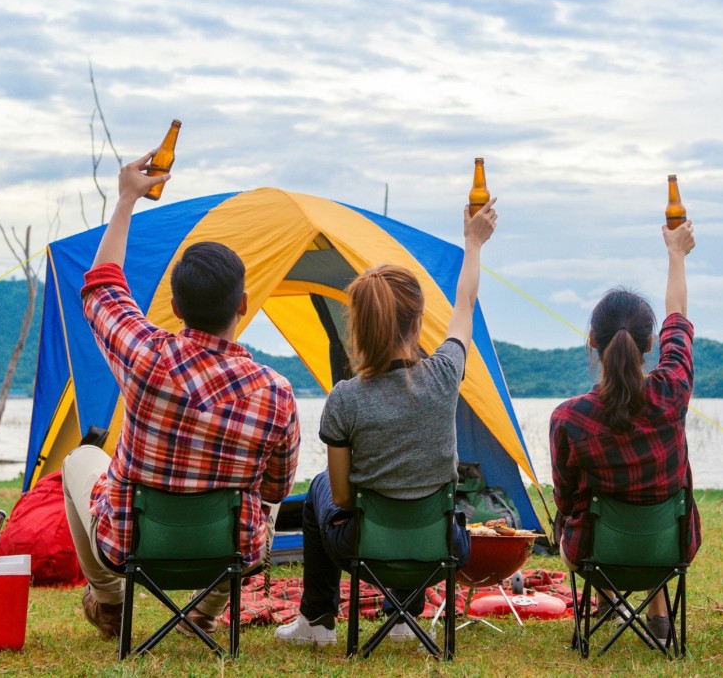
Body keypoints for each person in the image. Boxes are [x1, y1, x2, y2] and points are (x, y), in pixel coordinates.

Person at [63, 151, 301, 640]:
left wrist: (128, 197)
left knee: (78, 460)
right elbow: (275, 491)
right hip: (230, 552)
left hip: (132, 545)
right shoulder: (276, 392)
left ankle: (110, 599)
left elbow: (101, 286)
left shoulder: (146, 357)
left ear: (174, 306)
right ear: (243, 305)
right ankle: (206, 612)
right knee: (268, 496)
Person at [275, 198, 498, 646]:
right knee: (411, 496)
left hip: (363, 547)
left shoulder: (344, 399)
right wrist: (473, 243)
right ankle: (404, 616)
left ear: (358, 328)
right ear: (418, 323)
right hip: (441, 548)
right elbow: (465, 304)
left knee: (321, 486)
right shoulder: (445, 375)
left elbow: (341, 495)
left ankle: (317, 621)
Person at [549, 219, 700, 641]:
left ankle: (605, 603)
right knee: (647, 508)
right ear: (650, 344)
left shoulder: (568, 417)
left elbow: (565, 498)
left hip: (596, 554)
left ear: (593, 343)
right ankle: (659, 614)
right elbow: (678, 319)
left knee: (582, 512)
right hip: (669, 549)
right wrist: (676, 254)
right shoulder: (672, 390)